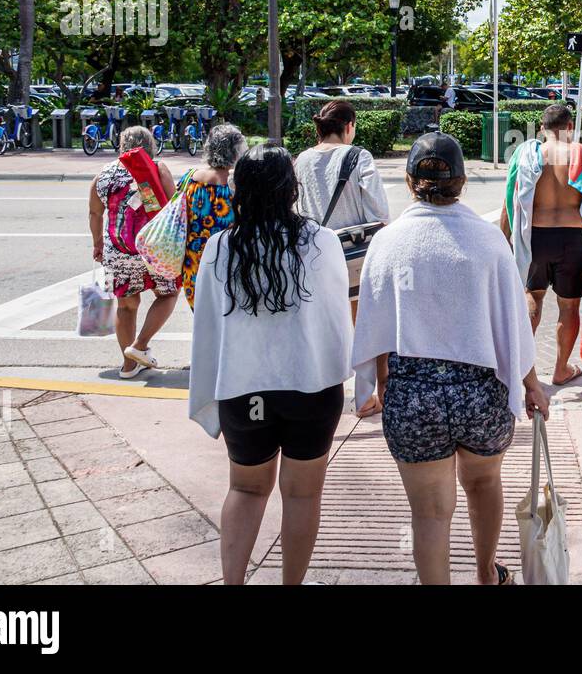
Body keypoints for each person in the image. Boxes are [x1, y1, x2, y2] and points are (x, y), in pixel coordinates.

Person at [352, 133, 549, 585]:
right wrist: (531, 383)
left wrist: (382, 382)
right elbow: (513, 321)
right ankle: (485, 572)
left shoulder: (389, 241)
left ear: (408, 181)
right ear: (462, 182)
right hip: (481, 393)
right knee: (483, 484)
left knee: (431, 515)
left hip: (412, 393)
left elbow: (376, 324)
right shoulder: (487, 240)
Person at [188, 144, 353, 584]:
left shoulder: (220, 246)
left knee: (245, 488)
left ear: (240, 190)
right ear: (291, 190)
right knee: (301, 496)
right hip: (310, 387)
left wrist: (208, 389)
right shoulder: (321, 241)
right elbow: (338, 319)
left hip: (245, 390)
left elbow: (205, 327)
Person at [294, 99, 391, 416]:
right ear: (349, 126)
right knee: (363, 324)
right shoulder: (358, 156)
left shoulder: (302, 161)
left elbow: (296, 210)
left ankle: (319, 397)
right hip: (355, 255)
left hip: (314, 255)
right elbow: (379, 211)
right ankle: (364, 398)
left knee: (322, 328)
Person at [501, 103, 582, 385]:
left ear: (541, 128)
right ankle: (561, 369)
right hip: (573, 240)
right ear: (570, 127)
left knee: (532, 297)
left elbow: (510, 202)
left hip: (535, 238)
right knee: (569, 307)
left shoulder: (526, 156)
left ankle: (522, 368)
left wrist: (504, 241)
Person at [88, 126, 179, 379]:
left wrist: (98, 243)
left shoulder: (103, 175)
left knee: (126, 306)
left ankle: (128, 366)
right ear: (150, 145)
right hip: (153, 246)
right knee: (168, 293)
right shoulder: (156, 168)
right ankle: (140, 345)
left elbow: (95, 213)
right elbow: (173, 206)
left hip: (117, 249)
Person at [179, 124, 245, 309]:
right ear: (236, 150)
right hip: (231, 262)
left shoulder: (189, 178)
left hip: (194, 263)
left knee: (202, 321)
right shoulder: (237, 183)